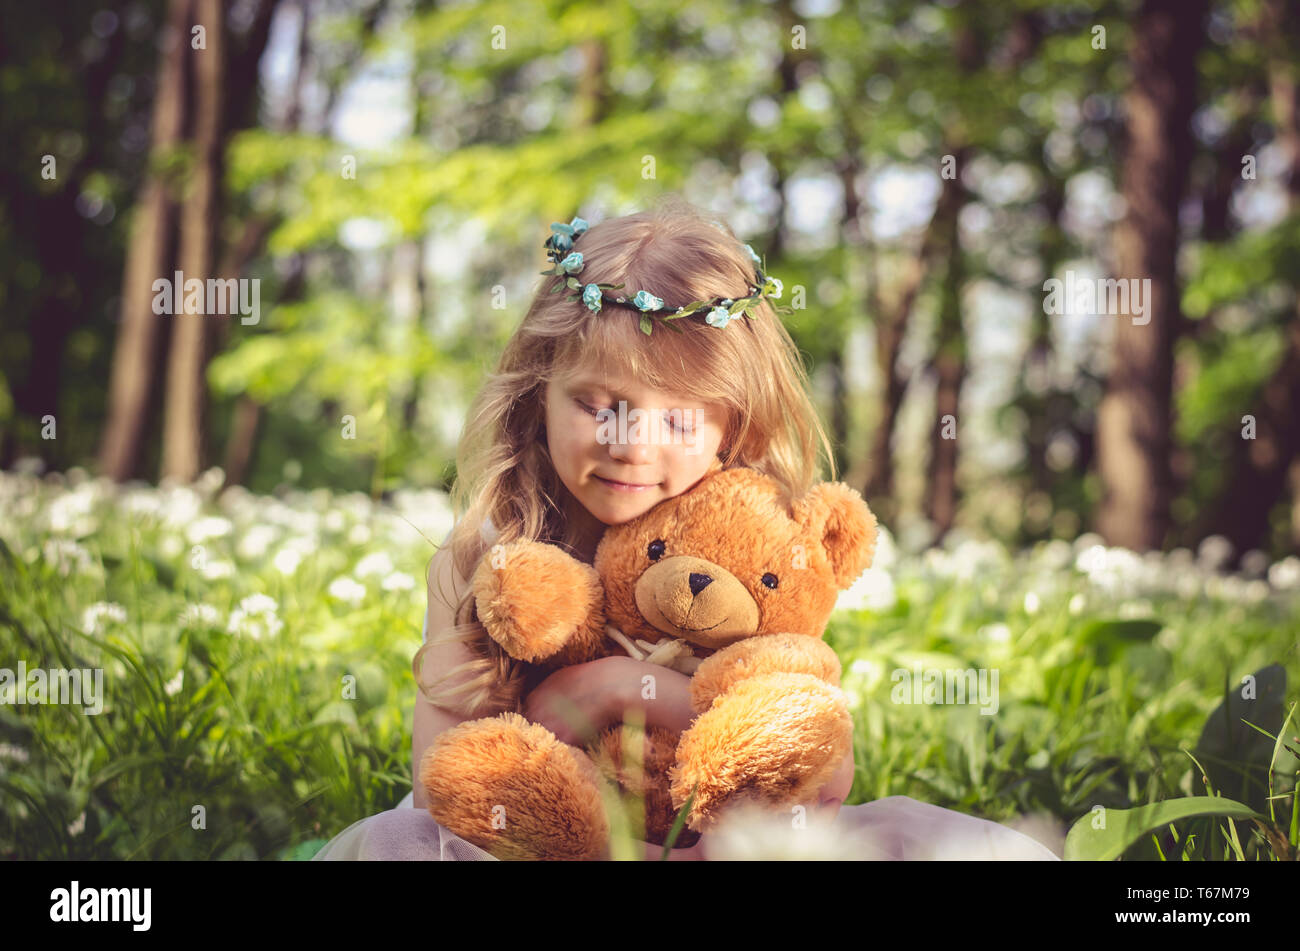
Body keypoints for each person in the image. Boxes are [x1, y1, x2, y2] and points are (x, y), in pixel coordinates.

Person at [313, 194, 1058, 861]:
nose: (632, 443)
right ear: (539, 393)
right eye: (599, 404)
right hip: (534, 851)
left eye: (676, 416)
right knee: (398, 842)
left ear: (730, 423)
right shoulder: (482, 556)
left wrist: (608, 686)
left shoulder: (757, 553)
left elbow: (817, 762)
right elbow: (445, 776)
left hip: (721, 845)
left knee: (938, 842)